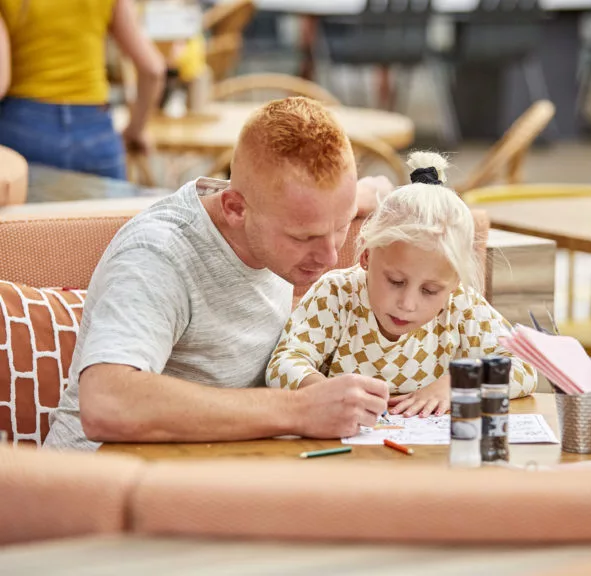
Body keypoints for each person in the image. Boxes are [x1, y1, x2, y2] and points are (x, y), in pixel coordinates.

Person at [44, 97, 392, 451]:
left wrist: (378, 197)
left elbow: (364, 194)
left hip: (203, 469)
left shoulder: (292, 207)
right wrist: (300, 409)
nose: (330, 255)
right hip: (93, 483)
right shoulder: (158, 253)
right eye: (303, 237)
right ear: (235, 208)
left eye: (341, 225)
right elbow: (106, 402)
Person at [266, 152, 537, 418]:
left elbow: (525, 367)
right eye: (395, 281)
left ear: (454, 283)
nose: (407, 304)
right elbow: (282, 364)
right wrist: (324, 392)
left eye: (430, 290)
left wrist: (458, 382)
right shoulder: (337, 295)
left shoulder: (462, 306)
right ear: (367, 256)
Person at [0, 0, 165, 179]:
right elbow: (153, 70)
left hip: (22, 129)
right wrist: (136, 130)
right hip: (95, 131)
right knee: (105, 207)